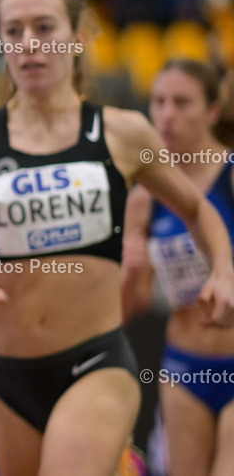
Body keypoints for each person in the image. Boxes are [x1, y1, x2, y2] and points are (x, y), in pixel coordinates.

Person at [0, 0, 234, 475]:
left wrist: (222, 269)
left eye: (45, 28)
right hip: (7, 375)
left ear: (77, 37)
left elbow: (197, 208)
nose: (29, 43)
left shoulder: (122, 133)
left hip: (96, 363)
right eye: (13, 31)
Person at [122, 59, 234, 476]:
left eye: (182, 103)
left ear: (212, 111)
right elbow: (129, 308)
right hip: (183, 367)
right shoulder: (143, 197)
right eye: (159, 102)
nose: (168, 114)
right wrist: (130, 272)